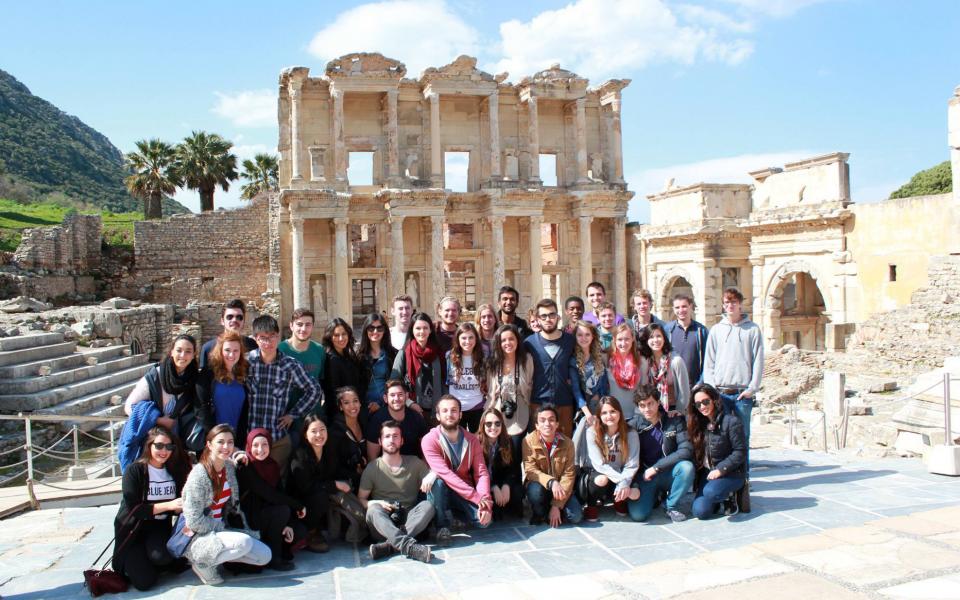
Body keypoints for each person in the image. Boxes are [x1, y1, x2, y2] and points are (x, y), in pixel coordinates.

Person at [181, 424, 271, 585]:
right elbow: (193, 521)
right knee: (244, 542)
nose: (226, 446)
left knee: (264, 556)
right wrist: (221, 528)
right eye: (220, 442)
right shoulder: (198, 475)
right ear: (209, 445)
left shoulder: (228, 467)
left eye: (230, 442)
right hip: (199, 535)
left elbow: (240, 462)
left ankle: (216, 557)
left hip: (221, 529)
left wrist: (242, 455)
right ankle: (202, 563)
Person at [112, 426, 190, 591]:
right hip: (133, 529)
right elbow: (135, 508)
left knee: (162, 558)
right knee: (144, 582)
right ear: (149, 446)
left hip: (157, 527)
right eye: (159, 446)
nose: (164, 451)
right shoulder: (135, 470)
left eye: (169, 447)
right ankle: (132, 561)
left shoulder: (173, 471)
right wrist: (169, 505)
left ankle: (150, 560)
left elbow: (175, 504)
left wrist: (177, 508)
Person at [246, 315, 322, 472]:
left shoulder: (290, 365)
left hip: (277, 437)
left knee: (277, 482)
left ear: (278, 336)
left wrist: (293, 414)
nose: (268, 342)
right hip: (251, 438)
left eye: (272, 336)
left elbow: (314, 390)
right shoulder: (247, 363)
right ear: (255, 339)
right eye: (263, 338)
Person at [702, 287, 764, 470]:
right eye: (727, 302)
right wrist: (712, 389)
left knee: (742, 437)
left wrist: (752, 388)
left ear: (740, 305)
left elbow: (758, 360)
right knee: (719, 435)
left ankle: (743, 477)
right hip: (720, 392)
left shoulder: (752, 330)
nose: (730, 306)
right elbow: (709, 362)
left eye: (733, 302)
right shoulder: (716, 330)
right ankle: (722, 472)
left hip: (741, 392)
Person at [359, 420, 435, 563]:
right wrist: (376, 502)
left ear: (402, 441)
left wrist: (434, 473)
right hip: (383, 524)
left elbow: (434, 476)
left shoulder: (415, 463)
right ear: (380, 441)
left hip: (408, 522)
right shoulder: (372, 468)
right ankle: (409, 547)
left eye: (395, 436)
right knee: (373, 510)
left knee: (428, 506)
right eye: (387, 436)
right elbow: (361, 500)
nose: (391, 440)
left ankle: (389, 546)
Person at [421, 395, 493, 545]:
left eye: (454, 410)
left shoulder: (472, 440)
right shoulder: (429, 440)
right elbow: (446, 474)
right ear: (438, 415)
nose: (449, 414)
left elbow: (481, 473)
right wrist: (476, 497)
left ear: (460, 414)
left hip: (463, 492)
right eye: (445, 410)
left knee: (483, 522)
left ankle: (456, 516)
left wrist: (485, 501)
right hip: (442, 490)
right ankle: (442, 526)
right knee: (438, 482)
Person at [121, 334, 199, 470]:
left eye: (188, 351)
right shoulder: (155, 376)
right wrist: (157, 420)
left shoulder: (194, 379)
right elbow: (129, 407)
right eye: (179, 350)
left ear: (193, 355)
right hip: (149, 442)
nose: (183, 355)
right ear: (171, 352)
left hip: (174, 442)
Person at [237, 428, 307, 572]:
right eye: (255, 445)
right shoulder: (245, 467)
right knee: (281, 511)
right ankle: (275, 558)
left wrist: (287, 523)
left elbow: (279, 492)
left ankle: (274, 550)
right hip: (250, 518)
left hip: (266, 514)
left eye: (264, 445)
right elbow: (268, 493)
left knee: (298, 530)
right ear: (249, 446)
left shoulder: (272, 465)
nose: (260, 449)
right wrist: (297, 506)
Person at [630, 386, 695, 523]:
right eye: (642, 405)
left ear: (658, 402)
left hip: (668, 471)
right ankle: (656, 496)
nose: (647, 409)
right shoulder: (634, 425)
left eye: (650, 404)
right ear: (638, 407)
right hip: (645, 476)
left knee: (686, 467)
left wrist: (656, 467)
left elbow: (686, 450)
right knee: (638, 515)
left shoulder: (674, 420)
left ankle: (671, 505)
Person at [287, 415, 348, 552]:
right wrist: (334, 485)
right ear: (305, 434)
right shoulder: (299, 456)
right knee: (320, 496)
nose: (319, 434)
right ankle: (312, 532)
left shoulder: (328, 450)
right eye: (314, 431)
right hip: (301, 505)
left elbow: (337, 471)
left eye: (322, 429)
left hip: (319, 495)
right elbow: (306, 487)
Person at [687, 383, 747, 519]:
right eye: (698, 404)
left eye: (705, 401)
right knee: (700, 512)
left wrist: (721, 469)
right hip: (708, 473)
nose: (702, 407)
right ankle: (717, 500)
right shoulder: (698, 424)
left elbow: (740, 452)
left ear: (714, 399)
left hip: (731, 473)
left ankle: (731, 496)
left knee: (711, 492)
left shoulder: (731, 422)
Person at [579, 396, 640, 522]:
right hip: (601, 472)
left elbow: (632, 464)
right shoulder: (592, 432)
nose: (609, 416)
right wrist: (622, 481)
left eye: (613, 411)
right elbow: (599, 464)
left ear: (619, 413)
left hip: (622, 471)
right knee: (602, 479)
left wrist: (625, 482)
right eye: (604, 413)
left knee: (635, 493)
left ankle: (618, 500)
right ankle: (591, 505)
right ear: (599, 416)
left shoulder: (631, 433)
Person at [523, 404, 583, 527]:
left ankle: (554, 510)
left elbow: (569, 475)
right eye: (542, 420)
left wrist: (556, 505)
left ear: (556, 424)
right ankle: (540, 512)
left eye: (551, 420)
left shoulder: (568, 444)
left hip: (561, 490)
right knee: (535, 491)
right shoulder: (528, 441)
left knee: (575, 516)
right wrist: (551, 482)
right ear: (537, 426)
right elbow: (530, 470)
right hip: (541, 488)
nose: (547, 424)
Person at [524, 299, 577, 437]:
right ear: (538, 319)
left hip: (564, 403)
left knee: (565, 446)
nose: (548, 319)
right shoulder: (529, 343)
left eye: (552, 315)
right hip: (538, 403)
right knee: (538, 447)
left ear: (558, 317)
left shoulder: (570, 341)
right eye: (544, 316)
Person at [485, 324, 534, 459]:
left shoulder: (527, 360)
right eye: (503, 340)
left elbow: (530, 384)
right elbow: (490, 389)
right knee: (497, 455)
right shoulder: (493, 363)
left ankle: (514, 480)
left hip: (520, 411)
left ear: (518, 340)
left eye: (511, 339)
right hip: (498, 411)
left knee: (516, 453)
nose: (508, 343)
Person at [278, 308, 326, 443]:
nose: (303, 329)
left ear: (313, 326)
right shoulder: (281, 350)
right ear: (291, 325)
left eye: (308, 324)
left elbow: (321, 382)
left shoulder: (319, 350)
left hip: (313, 417)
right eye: (299, 324)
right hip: (287, 419)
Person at [196, 331, 249, 447]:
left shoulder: (243, 374)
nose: (232, 355)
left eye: (236, 351)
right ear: (220, 351)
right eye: (227, 350)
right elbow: (201, 407)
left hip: (236, 439)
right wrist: (213, 436)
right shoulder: (208, 374)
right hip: (214, 440)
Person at [391, 312, 446, 418]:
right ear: (412, 330)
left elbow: (445, 380)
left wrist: (444, 404)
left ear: (430, 330)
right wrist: (409, 403)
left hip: (438, 412)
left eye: (425, 328)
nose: (422, 332)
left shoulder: (439, 352)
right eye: (418, 328)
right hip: (413, 411)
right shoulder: (404, 353)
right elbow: (393, 383)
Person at [365, 379, 429, 460]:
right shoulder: (377, 420)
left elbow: (427, 447)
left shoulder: (416, 417)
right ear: (385, 398)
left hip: (413, 467)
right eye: (392, 395)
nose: (396, 398)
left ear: (406, 396)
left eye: (400, 394)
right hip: (386, 468)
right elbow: (372, 456)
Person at [478, 407, 523, 520]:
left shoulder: (508, 441)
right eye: (488, 424)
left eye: (497, 423)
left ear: (502, 425)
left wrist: (506, 485)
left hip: (500, 482)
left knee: (518, 493)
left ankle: (504, 507)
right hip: (481, 486)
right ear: (483, 425)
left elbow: (513, 469)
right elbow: (476, 472)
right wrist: (493, 487)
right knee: (495, 514)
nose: (493, 427)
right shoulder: (476, 442)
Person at [638, 323, 691, 415]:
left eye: (658, 336)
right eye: (651, 337)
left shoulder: (676, 361)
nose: (655, 340)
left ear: (664, 339)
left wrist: (678, 411)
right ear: (646, 341)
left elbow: (684, 392)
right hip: (654, 411)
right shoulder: (647, 362)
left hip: (674, 410)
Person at [321, 318, 367, 421]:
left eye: (344, 334)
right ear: (330, 337)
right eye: (336, 335)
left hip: (354, 410)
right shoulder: (331, 359)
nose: (341, 338)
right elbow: (333, 393)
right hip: (341, 415)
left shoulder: (349, 355)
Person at [446, 322, 486, 432]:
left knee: (477, 442)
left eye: (471, 337)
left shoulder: (483, 358)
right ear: (458, 339)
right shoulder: (449, 356)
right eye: (463, 338)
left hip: (477, 407)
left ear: (476, 339)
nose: (467, 341)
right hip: (456, 408)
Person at [358, 313, 397, 415]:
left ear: (384, 331)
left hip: (386, 407)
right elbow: (356, 385)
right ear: (366, 330)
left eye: (379, 328)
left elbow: (395, 383)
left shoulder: (393, 354)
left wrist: (381, 404)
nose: (375, 332)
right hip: (363, 408)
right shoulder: (358, 356)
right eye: (371, 328)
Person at [665, 294, 709, 385]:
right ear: (673, 309)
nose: (681, 310)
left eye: (684, 306)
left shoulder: (701, 331)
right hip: (673, 385)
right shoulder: (667, 330)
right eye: (677, 307)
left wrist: (701, 382)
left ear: (690, 306)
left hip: (695, 385)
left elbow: (708, 360)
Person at [569, 321, 608, 424]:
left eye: (587, 334)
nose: (584, 338)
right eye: (580, 335)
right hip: (584, 409)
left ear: (593, 336)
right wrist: (587, 413)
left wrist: (603, 404)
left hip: (601, 405)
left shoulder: (599, 356)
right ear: (575, 337)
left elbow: (604, 385)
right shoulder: (573, 361)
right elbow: (576, 390)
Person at [199, 299, 257, 368]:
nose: (234, 320)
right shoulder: (208, 348)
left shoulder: (252, 346)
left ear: (243, 321)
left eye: (239, 317)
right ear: (222, 321)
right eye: (229, 317)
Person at [606, 324, 641, 426]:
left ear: (633, 339)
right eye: (620, 339)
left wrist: (639, 413)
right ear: (614, 340)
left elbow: (643, 389)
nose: (623, 343)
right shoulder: (607, 359)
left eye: (627, 339)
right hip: (612, 417)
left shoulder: (640, 360)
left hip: (635, 416)